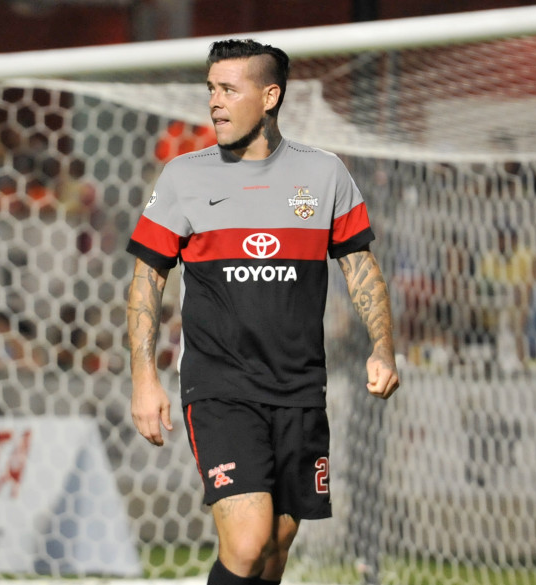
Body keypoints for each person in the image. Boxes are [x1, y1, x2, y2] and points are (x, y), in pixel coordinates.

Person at [125, 39, 400, 585]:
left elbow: (360, 267)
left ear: (270, 96)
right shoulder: (185, 175)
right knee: (248, 542)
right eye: (211, 89)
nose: (215, 103)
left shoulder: (324, 174)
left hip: (300, 388)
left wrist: (383, 347)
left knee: (274, 548)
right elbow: (147, 278)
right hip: (220, 386)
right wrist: (143, 376)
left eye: (229, 89)